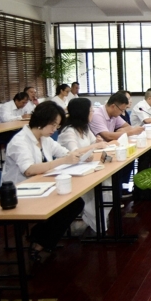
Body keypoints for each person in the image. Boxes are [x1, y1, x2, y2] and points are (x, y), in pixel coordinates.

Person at [2, 101, 86, 263]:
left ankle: (39, 239)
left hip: (40, 186)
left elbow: (64, 153)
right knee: (69, 204)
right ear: (42, 120)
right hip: (19, 192)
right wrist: (64, 160)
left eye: (57, 125)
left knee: (74, 202)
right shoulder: (20, 141)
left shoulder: (44, 138)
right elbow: (29, 170)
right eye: (53, 124)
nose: (55, 129)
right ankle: (40, 241)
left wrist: (79, 155)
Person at [58, 98, 109, 234]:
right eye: (91, 110)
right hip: (69, 172)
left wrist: (96, 142)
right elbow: (74, 152)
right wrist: (94, 146)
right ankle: (92, 220)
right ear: (82, 112)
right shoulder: (69, 131)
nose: (93, 113)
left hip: (84, 168)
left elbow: (93, 144)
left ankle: (97, 220)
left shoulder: (85, 128)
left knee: (106, 182)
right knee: (97, 187)